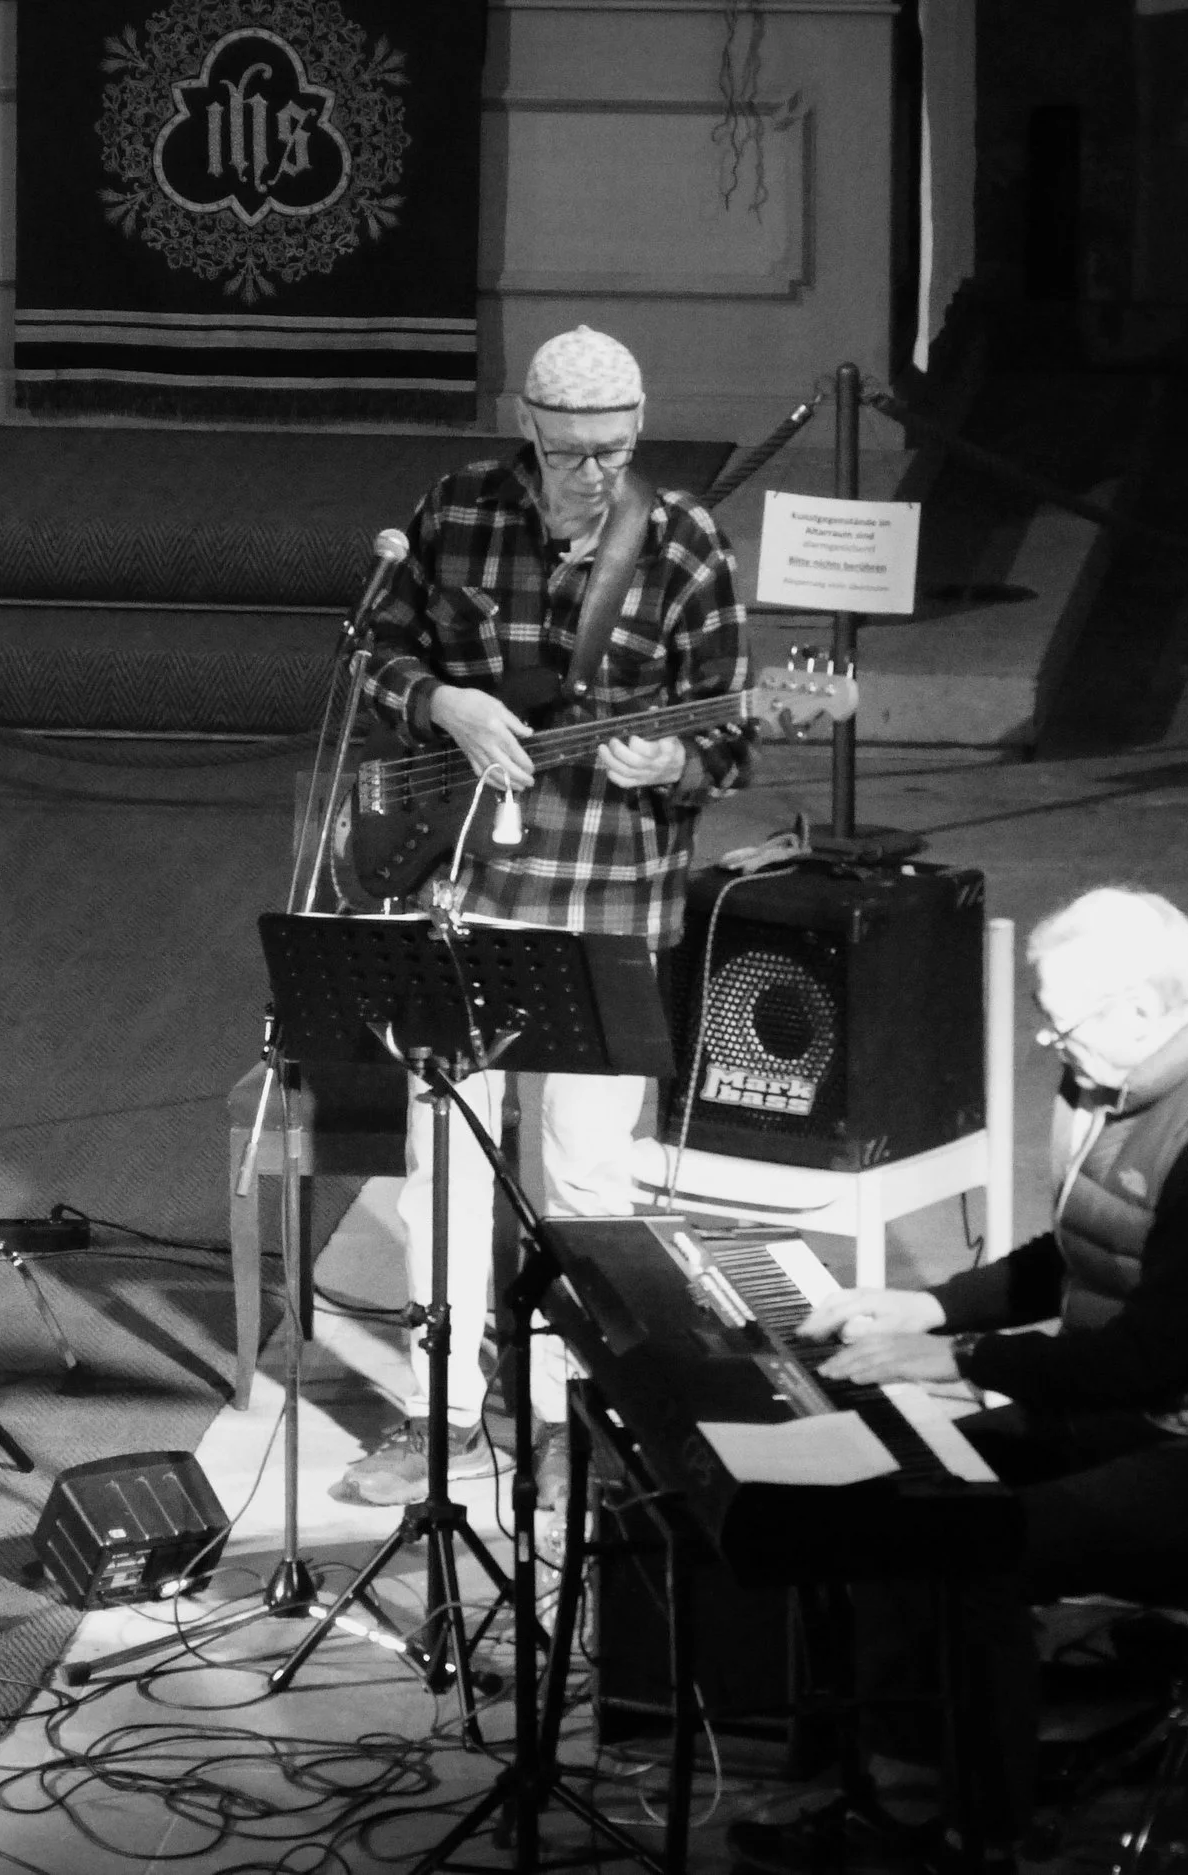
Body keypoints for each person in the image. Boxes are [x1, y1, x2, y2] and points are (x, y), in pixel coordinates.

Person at [733, 887, 1188, 1874]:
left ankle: (973, 1837)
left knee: (970, 1549)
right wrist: (931, 1308)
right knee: (891, 1498)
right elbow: (1083, 1250)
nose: (1045, 1041)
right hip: (1150, 1416)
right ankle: (893, 1790)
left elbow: (1150, 1357)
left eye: (1057, 1024)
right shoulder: (1134, 1075)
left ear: (1147, 1012)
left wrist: (961, 1359)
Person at [335, 325, 750, 1505]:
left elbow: (733, 743)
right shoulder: (454, 510)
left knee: (586, 1178)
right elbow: (375, 655)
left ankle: (582, 1415)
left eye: (614, 452)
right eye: (569, 452)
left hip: (608, 896)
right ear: (526, 427)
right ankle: (438, 1416)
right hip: (460, 883)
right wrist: (447, 703)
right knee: (445, 1165)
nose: (591, 476)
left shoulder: (683, 545)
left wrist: (672, 755)